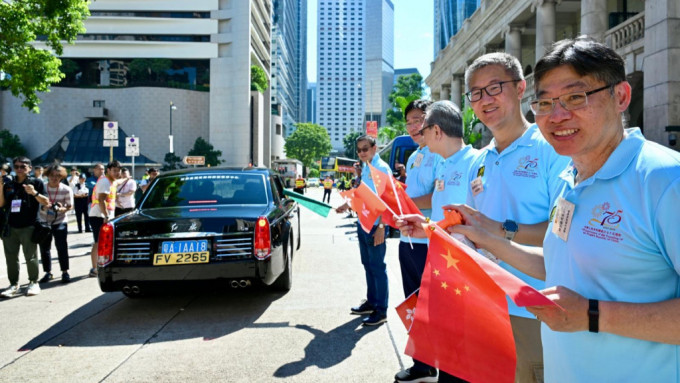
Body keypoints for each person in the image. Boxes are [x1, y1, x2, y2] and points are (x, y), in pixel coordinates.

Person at [443, 37, 680, 382]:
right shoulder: (571, 178)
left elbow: (585, 309)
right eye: (545, 103)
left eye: (575, 97)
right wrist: (483, 236)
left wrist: (592, 316)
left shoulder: (664, 179)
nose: (557, 116)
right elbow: (557, 266)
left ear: (621, 97)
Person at [461, 51, 571, 383]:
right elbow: (471, 230)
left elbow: (563, 232)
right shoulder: (479, 161)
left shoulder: (551, 150)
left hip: (532, 305)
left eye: (495, 87)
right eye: (476, 93)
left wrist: (501, 232)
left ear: (521, 88)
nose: (485, 100)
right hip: (486, 302)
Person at [392, 99, 442, 383]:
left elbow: (438, 198)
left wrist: (403, 202)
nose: (413, 127)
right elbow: (410, 197)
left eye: (418, 119)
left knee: (434, 306)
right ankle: (422, 363)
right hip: (407, 240)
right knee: (414, 302)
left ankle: (442, 364)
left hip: (430, 242)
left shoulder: (441, 155)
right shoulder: (413, 157)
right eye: (409, 121)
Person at [335, 135, 391, 326]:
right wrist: (347, 205)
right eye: (359, 150)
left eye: (365, 149)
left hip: (375, 226)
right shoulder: (367, 168)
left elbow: (387, 200)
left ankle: (381, 310)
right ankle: (372, 301)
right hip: (364, 223)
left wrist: (382, 227)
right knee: (368, 265)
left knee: (377, 267)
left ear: (374, 148)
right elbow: (362, 196)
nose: (361, 153)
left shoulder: (381, 168)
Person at [0, 157, 48, 298]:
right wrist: (0, 186)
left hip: (29, 226)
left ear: (30, 168)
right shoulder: (9, 183)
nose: (19, 169)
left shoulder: (36, 182)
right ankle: (13, 284)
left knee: (31, 257)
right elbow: (1, 204)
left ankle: (33, 282)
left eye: (23, 166)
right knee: (11, 258)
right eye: (17, 166)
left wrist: (33, 193)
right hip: (10, 226)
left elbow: (46, 202)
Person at [37, 165, 74, 284]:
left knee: (62, 247)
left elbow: (70, 206)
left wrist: (62, 209)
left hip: (60, 220)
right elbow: (36, 202)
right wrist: (43, 206)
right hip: (44, 221)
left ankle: (65, 272)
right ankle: (47, 272)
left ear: (62, 177)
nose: (54, 178)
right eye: (52, 175)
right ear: (47, 175)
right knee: (45, 248)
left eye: (58, 176)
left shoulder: (66, 189)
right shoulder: (42, 187)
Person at [88, 160, 121, 277]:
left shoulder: (112, 181)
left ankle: (102, 265)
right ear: (108, 171)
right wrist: (106, 216)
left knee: (105, 243)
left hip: (104, 215)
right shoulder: (105, 182)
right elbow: (101, 200)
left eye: (118, 171)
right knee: (98, 242)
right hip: (99, 215)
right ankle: (94, 268)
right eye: (114, 171)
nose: (117, 173)